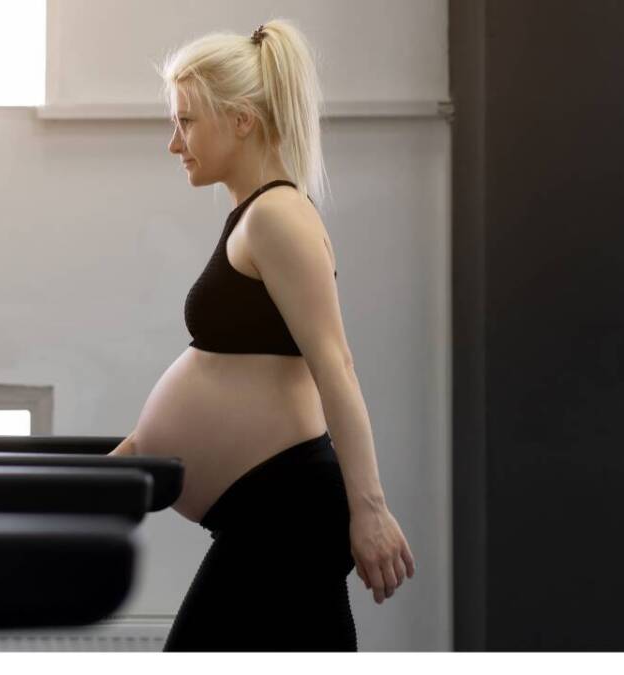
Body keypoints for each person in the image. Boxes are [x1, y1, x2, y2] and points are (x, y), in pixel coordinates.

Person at [109, 19, 415, 651]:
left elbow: (336, 367)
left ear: (242, 119)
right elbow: (223, 377)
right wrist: (100, 478)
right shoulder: (253, 217)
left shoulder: (277, 216)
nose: (175, 144)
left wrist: (371, 509)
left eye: (186, 122)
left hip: (287, 520)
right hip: (265, 518)